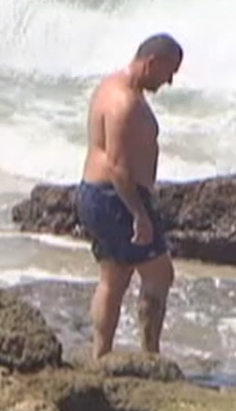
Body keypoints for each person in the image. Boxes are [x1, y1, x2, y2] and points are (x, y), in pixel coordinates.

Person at [76, 33, 183, 359]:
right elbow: (118, 165)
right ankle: (150, 353)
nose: (170, 81)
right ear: (152, 63)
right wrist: (139, 215)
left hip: (100, 195)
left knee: (114, 277)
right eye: (169, 72)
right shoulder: (123, 102)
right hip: (116, 198)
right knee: (159, 273)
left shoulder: (113, 87)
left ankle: (101, 355)